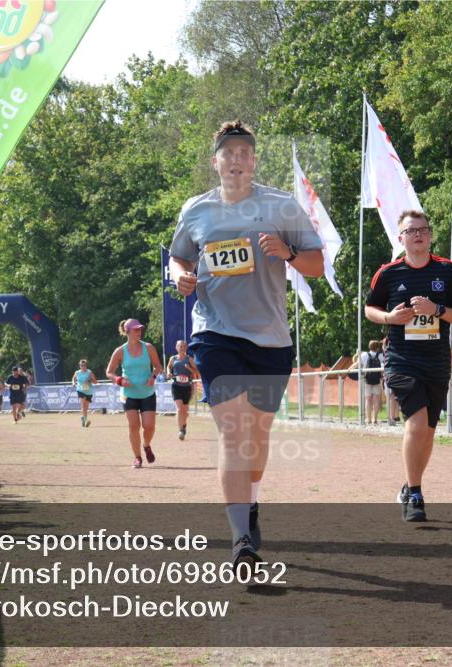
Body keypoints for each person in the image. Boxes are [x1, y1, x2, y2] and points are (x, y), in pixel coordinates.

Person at [168, 120, 324, 566]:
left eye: (244, 152)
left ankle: (250, 501)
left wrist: (288, 253)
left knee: (256, 436)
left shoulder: (282, 206)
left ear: (254, 161)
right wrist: (180, 276)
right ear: (215, 161)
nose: (236, 159)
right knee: (234, 433)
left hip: (270, 339)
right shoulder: (196, 210)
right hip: (215, 332)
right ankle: (241, 540)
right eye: (228, 152)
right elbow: (179, 257)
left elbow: (316, 264)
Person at [365, 209, 452, 522]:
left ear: (430, 235)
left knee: (428, 432)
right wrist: (390, 317)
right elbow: (370, 309)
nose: (418, 235)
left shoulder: (448, 270)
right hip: (402, 360)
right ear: (401, 238)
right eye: (411, 231)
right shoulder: (388, 273)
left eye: (423, 229)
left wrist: (436, 309)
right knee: (417, 421)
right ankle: (415, 494)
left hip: (436, 362)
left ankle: (408, 486)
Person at [106, 319, 162, 468]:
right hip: (129, 394)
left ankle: (146, 445)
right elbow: (109, 372)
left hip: (147, 393)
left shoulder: (148, 348)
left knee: (149, 426)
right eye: (136, 329)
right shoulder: (120, 351)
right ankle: (137, 457)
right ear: (127, 332)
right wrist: (119, 380)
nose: (139, 332)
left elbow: (158, 366)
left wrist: (153, 376)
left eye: (140, 329)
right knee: (133, 426)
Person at [166, 340, 199, 440]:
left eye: (184, 346)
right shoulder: (173, 358)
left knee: (185, 411)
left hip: (187, 387)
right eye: (180, 346)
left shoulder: (189, 359)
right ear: (176, 347)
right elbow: (168, 367)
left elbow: (196, 372)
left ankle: (183, 425)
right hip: (176, 386)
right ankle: (181, 430)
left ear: (186, 348)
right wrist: (169, 372)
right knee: (180, 409)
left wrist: (189, 368)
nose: (182, 348)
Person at [353, 339, 384, 424]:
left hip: (367, 380)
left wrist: (349, 369)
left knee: (368, 399)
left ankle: (369, 419)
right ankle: (375, 419)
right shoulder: (380, 355)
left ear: (369, 347)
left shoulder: (364, 355)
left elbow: (357, 364)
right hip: (377, 380)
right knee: (376, 399)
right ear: (377, 348)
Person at [73, 359, 98, 427]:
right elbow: (73, 378)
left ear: (86, 365)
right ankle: (86, 420)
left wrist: (89, 381)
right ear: (79, 366)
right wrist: (73, 383)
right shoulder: (77, 372)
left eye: (84, 365)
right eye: (81, 365)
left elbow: (95, 382)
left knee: (86, 407)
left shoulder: (89, 372)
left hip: (88, 391)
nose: (83, 366)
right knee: (83, 405)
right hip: (80, 390)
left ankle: (83, 418)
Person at [382, 337, 400, 424]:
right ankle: (394, 417)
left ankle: (392, 417)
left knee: (392, 397)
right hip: (394, 376)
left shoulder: (386, 353)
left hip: (390, 376)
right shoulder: (393, 352)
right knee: (394, 397)